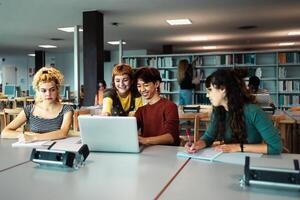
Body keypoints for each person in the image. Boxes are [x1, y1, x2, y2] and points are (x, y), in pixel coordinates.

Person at [186, 69, 282, 155]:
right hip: (229, 160)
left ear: (223, 89)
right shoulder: (218, 111)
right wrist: (197, 145)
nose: (207, 95)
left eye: (210, 90)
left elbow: (276, 147)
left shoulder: (253, 111)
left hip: (252, 161)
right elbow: (208, 137)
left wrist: (238, 147)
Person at [1, 67, 73, 142]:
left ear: (57, 89)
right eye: (43, 90)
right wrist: (23, 135)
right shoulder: (30, 110)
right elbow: (4, 132)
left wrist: (34, 137)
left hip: (56, 149)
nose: (48, 94)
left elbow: (63, 133)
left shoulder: (66, 109)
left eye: (52, 90)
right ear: (38, 91)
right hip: (33, 149)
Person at [134, 67, 180, 146]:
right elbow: (130, 131)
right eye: (139, 86)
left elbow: (171, 137)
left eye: (146, 85)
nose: (142, 89)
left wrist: (146, 140)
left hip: (166, 153)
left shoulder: (170, 106)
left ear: (156, 84)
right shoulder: (141, 111)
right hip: (147, 153)